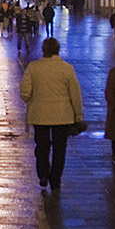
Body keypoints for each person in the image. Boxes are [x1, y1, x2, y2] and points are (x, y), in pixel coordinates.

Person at [19, 36, 84, 191]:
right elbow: (75, 93)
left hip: (40, 115)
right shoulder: (67, 68)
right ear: (58, 50)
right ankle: (55, 179)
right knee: (59, 149)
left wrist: (30, 99)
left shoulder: (34, 68)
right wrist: (78, 114)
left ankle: (42, 173)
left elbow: (25, 91)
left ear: (43, 50)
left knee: (41, 146)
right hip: (62, 116)